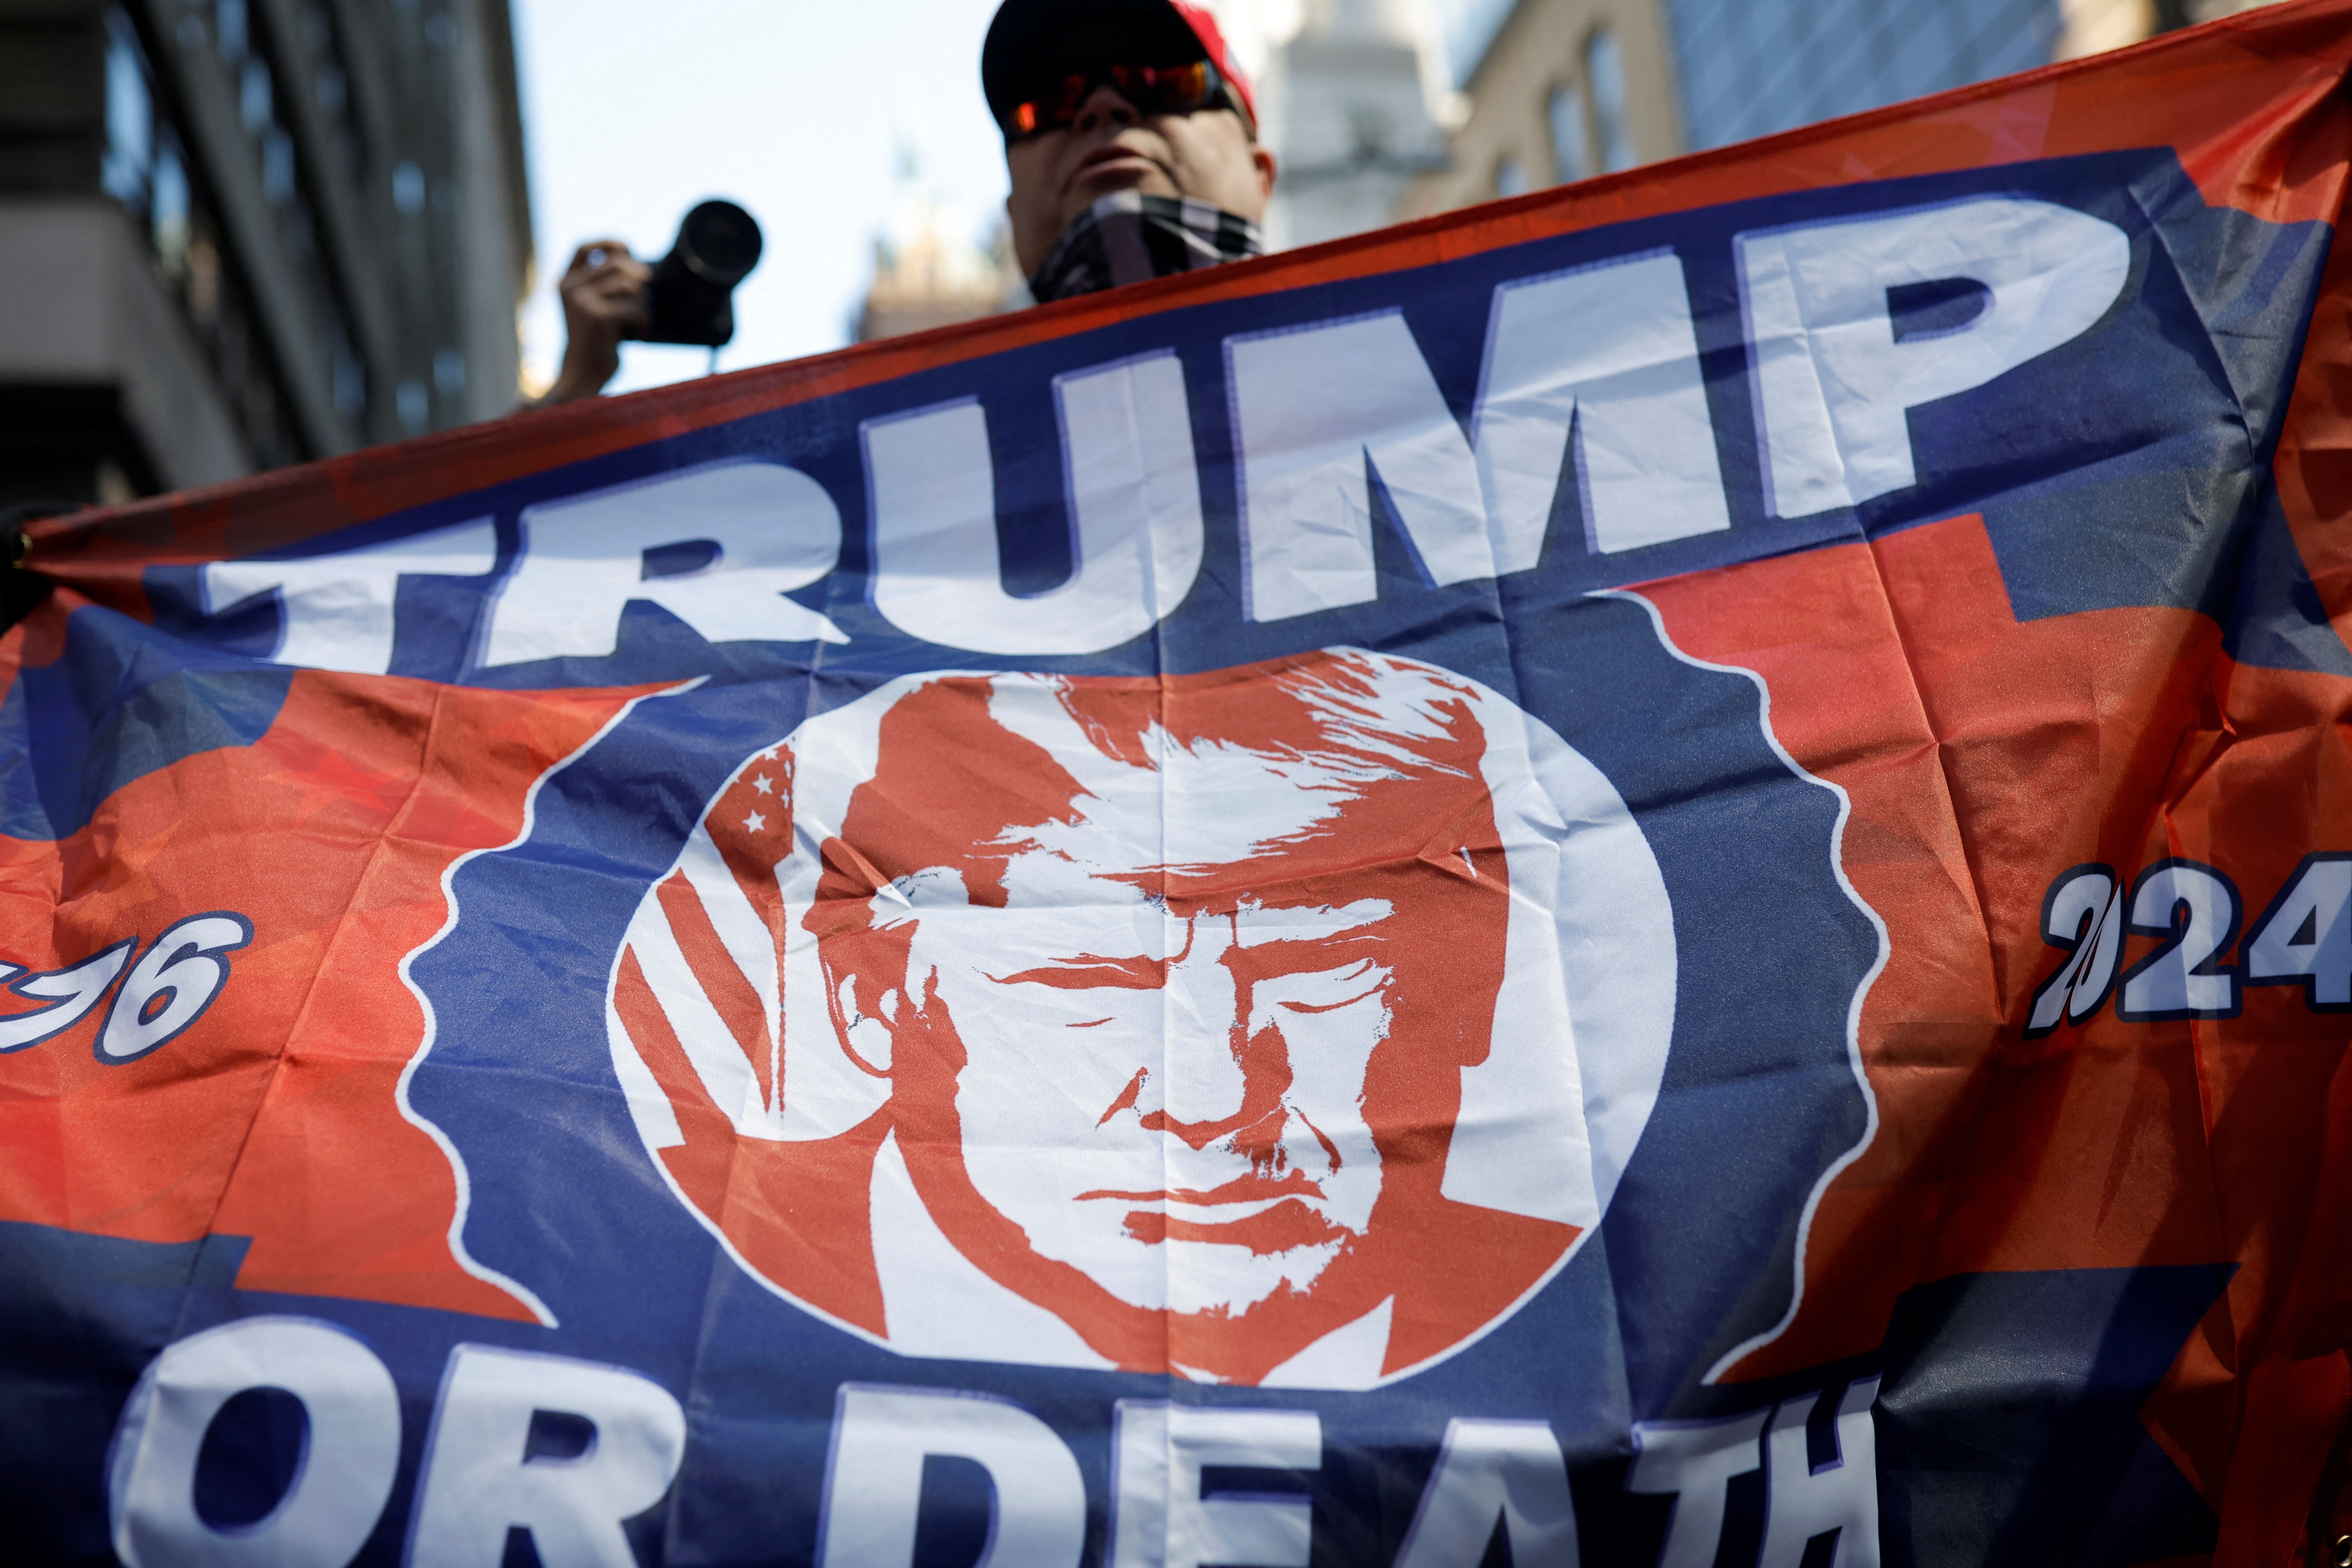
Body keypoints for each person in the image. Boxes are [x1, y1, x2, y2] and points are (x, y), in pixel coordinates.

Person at [612, 650, 1610, 1389]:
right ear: (874, 1003)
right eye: (1091, 976)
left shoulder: (1591, 1343)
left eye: (1314, 964)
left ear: (1466, 998)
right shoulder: (661, 1327)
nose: (1214, 1099)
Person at [535, 0, 1277, 407]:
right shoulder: (881, 466)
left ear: (1262, 171)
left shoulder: (1393, 370)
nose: (1104, 108)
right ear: (1012, 215)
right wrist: (568, 405)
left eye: (1161, 80)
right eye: (1048, 104)